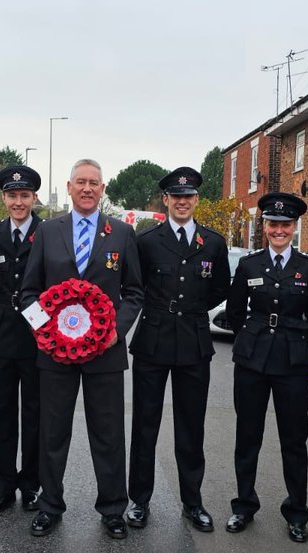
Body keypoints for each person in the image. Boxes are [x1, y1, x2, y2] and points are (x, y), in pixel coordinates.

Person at [19, 158, 143, 539]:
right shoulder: (48, 231)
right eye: (80, 182)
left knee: (107, 434)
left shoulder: (121, 233)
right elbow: (27, 293)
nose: (87, 188)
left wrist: (114, 332)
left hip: (105, 354)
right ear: (69, 188)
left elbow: (135, 293)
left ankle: (112, 509)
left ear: (103, 190)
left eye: (94, 183)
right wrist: (47, 333)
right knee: (52, 433)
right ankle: (49, 506)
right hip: (55, 355)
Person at [125, 167, 230, 533]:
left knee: (191, 427)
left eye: (189, 197)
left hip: (193, 342)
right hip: (152, 341)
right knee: (145, 425)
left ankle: (193, 502)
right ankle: (139, 500)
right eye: (176, 196)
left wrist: (191, 309)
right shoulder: (147, 240)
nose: (183, 202)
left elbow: (219, 289)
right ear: (166, 200)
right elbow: (133, 284)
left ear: (196, 201)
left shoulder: (212, 243)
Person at [224, 192, 308, 545]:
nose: (278, 230)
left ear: (294, 227)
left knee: (294, 440)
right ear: (264, 226)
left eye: (285, 224)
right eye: (273, 224)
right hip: (252, 360)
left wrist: (290, 338)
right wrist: (254, 337)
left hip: (293, 361)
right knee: (247, 435)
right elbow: (235, 312)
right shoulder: (249, 265)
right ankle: (243, 505)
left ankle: (297, 512)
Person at [0, 165, 44, 514]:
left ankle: (31, 485)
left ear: (34, 197)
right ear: (3, 197)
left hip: (37, 336)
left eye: (25, 195)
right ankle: (2, 486)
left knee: (35, 413)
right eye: (12, 195)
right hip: (2, 335)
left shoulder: (49, 233)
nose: (18, 202)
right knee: (0, 413)